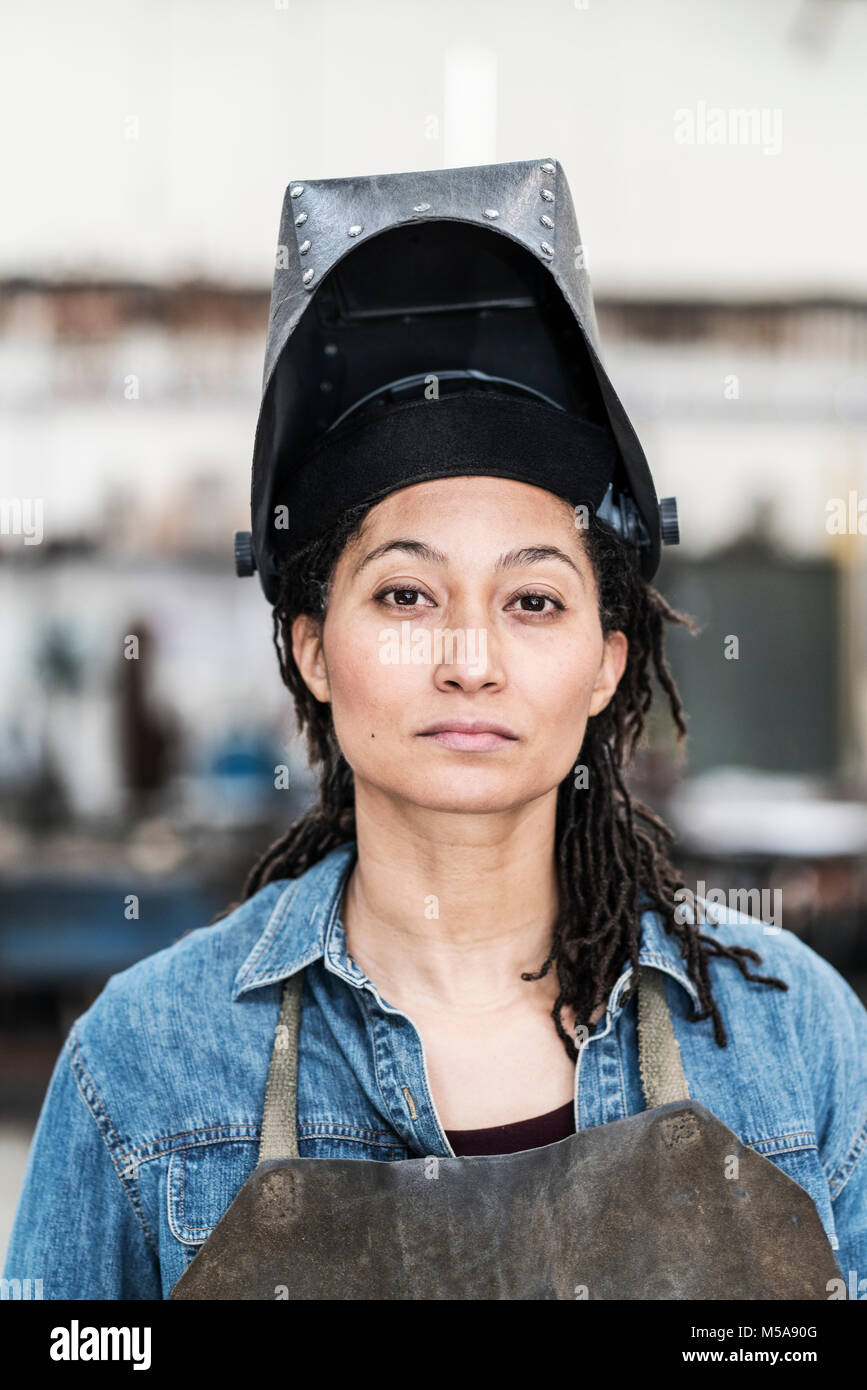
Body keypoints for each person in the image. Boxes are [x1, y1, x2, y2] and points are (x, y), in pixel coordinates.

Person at [4, 159, 865, 1299]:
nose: (469, 659)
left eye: (535, 600)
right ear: (313, 647)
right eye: (406, 595)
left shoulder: (791, 1036)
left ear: (611, 660)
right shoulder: (146, 1066)